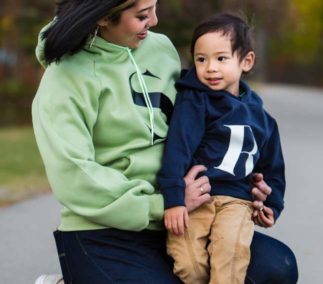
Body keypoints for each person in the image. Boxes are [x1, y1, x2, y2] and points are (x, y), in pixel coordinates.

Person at [31, 0, 298, 283]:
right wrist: (160, 204)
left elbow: (208, 109)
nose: (155, 20)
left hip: (181, 216)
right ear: (103, 18)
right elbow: (74, 177)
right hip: (105, 229)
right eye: (143, 15)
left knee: (277, 267)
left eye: (155, 7)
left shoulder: (161, 49)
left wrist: (241, 170)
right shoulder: (64, 77)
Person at [158, 13, 287, 284]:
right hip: (196, 200)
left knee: (229, 261)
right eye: (201, 59)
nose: (210, 68)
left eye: (221, 58)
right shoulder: (194, 100)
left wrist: (272, 205)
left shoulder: (262, 119)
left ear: (246, 61)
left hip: (237, 203)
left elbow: (272, 169)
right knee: (190, 266)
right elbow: (177, 149)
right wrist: (173, 200)